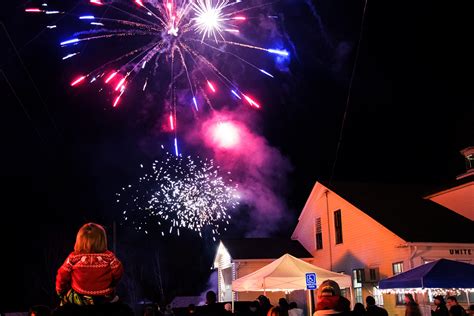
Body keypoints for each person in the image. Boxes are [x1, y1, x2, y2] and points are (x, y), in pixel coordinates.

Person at [55, 222, 124, 306]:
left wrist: (60, 290)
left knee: (64, 301)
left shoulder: (73, 257)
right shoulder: (109, 256)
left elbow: (62, 275)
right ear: (102, 240)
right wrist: (111, 284)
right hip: (104, 297)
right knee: (114, 298)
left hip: (80, 297)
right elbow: (118, 272)